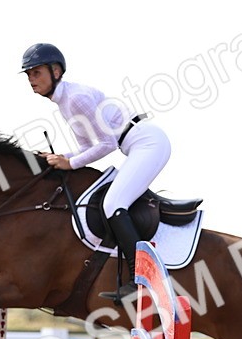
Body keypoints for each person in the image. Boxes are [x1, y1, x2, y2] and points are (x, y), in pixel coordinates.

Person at [20, 42, 172, 302]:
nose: (31, 80)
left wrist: (70, 163)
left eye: (36, 73)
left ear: (56, 71)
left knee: (113, 203)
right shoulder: (65, 102)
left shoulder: (75, 99)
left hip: (147, 143)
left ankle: (143, 280)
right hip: (136, 144)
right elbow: (87, 147)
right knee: (112, 202)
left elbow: (106, 144)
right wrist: (58, 158)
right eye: (28, 75)